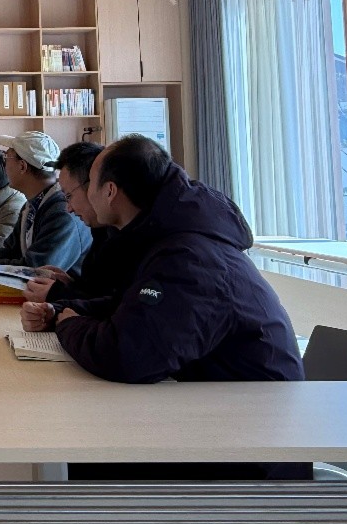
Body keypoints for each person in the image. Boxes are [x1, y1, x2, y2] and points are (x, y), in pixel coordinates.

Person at [21, 135, 309, 481]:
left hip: (251, 450)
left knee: (80, 450)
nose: (72, 205)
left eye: (89, 185)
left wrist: (68, 324)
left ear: (110, 191)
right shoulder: (170, 239)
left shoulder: (189, 258)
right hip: (217, 414)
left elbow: (128, 355)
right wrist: (61, 311)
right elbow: (132, 306)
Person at [0, 131, 90, 276]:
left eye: (7, 157)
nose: (3, 164)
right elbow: (9, 253)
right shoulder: (32, 205)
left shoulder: (61, 212)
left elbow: (34, 270)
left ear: (22, 166)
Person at [20, 141, 131, 306]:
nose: (68, 208)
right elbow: (97, 291)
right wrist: (71, 284)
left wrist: (57, 294)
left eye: (69, 196)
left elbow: (118, 307)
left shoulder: (133, 239)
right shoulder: (102, 230)